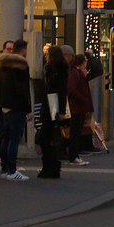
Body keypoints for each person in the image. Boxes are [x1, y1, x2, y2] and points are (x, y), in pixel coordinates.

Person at [0, 39, 32, 181]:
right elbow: (23, 89)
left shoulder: (3, 63)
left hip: (5, 103)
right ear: (23, 49)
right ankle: (12, 170)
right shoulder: (21, 64)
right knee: (14, 139)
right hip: (17, 105)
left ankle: (5, 169)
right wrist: (27, 108)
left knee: (6, 137)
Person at [36, 45, 68, 179]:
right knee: (49, 138)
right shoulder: (61, 68)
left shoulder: (53, 69)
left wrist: (60, 111)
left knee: (45, 138)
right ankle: (52, 167)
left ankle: (50, 167)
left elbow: (60, 90)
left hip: (51, 105)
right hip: (53, 105)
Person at [65, 53, 92, 166]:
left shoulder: (75, 73)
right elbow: (72, 89)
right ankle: (73, 156)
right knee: (75, 132)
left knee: (76, 132)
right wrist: (83, 99)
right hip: (77, 107)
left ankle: (75, 155)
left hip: (77, 106)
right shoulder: (75, 73)